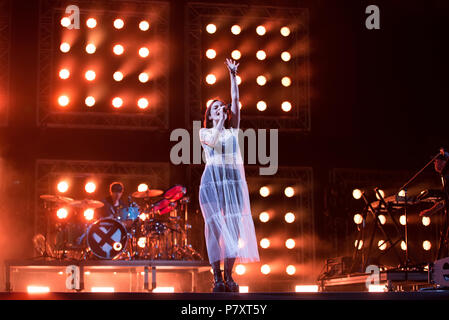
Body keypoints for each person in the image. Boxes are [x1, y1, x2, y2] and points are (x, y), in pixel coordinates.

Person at [198, 58, 260, 292]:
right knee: (214, 228)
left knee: (233, 228)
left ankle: (229, 275)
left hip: (232, 182)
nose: (220, 110)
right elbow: (213, 141)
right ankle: (217, 278)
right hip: (212, 183)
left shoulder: (233, 130)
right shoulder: (204, 131)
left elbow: (235, 101)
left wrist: (233, 76)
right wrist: (220, 123)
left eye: (221, 107)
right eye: (215, 109)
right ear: (211, 115)